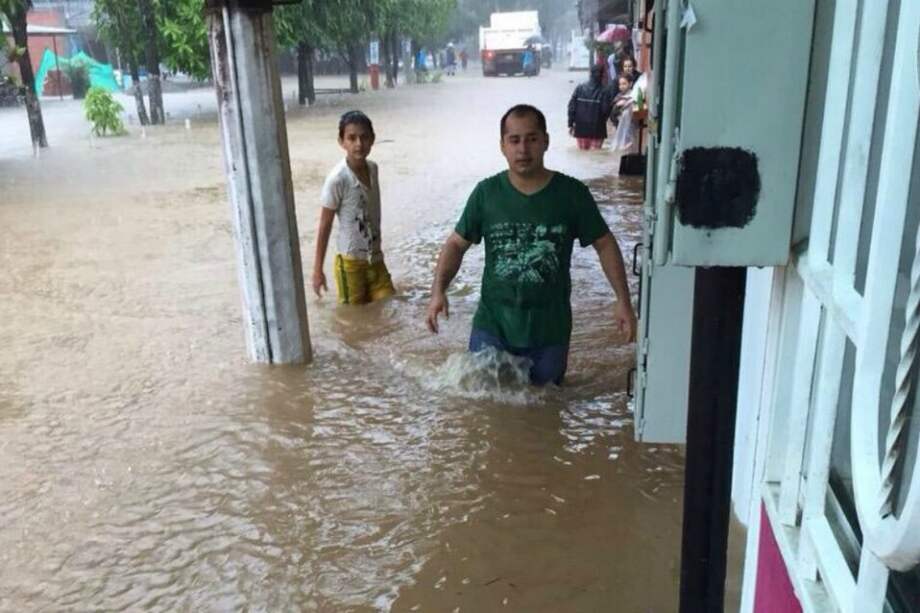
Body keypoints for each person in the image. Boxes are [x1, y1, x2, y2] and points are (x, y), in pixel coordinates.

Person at [425, 105, 636, 386]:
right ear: (502, 146)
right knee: (483, 403)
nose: (523, 149)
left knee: (546, 404)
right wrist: (438, 291)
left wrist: (623, 301)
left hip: (550, 332)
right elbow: (455, 244)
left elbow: (605, 243)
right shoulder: (486, 194)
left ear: (546, 141)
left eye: (532, 139)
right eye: (514, 140)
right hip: (493, 327)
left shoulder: (572, 194)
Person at [313, 111, 395, 305]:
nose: (359, 144)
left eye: (364, 137)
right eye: (351, 138)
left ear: (372, 139)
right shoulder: (337, 179)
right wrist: (317, 270)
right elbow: (325, 224)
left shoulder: (373, 169)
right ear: (341, 142)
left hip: (375, 259)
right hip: (350, 265)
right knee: (352, 317)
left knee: (389, 306)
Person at [567, 63, 614, 150]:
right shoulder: (605, 91)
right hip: (597, 129)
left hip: (581, 128)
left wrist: (570, 124)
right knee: (595, 155)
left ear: (590, 73)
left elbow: (571, 107)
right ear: (602, 75)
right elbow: (606, 110)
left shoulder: (579, 88)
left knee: (582, 154)